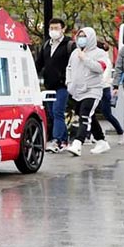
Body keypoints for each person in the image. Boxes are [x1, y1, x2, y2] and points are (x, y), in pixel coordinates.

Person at [66, 27, 111, 156]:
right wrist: (69, 83)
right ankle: (101, 141)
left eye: (84, 36)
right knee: (88, 115)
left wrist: (85, 58)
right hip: (77, 92)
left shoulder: (100, 53)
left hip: (93, 90)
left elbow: (100, 68)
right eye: (79, 36)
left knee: (85, 114)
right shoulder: (75, 53)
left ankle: (77, 143)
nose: (81, 39)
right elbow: (69, 68)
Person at [35, 18, 75, 153]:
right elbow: (39, 64)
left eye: (56, 28)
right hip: (49, 85)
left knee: (58, 111)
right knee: (52, 113)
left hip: (63, 85)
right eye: (51, 28)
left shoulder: (69, 45)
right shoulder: (46, 45)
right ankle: (64, 140)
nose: (53, 31)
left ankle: (56, 140)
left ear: (63, 29)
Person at [97, 40, 124, 144]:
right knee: (88, 113)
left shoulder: (105, 60)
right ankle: (93, 136)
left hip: (103, 89)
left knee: (107, 114)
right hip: (93, 89)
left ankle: (121, 133)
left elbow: (105, 76)